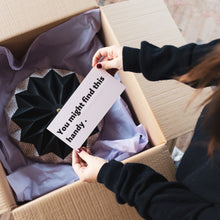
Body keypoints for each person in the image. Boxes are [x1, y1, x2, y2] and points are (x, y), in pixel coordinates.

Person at [72, 40, 220, 219]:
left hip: (199, 195)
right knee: (190, 167)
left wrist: (112, 176)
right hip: (202, 159)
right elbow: (212, 57)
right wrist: (139, 59)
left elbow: (183, 213)